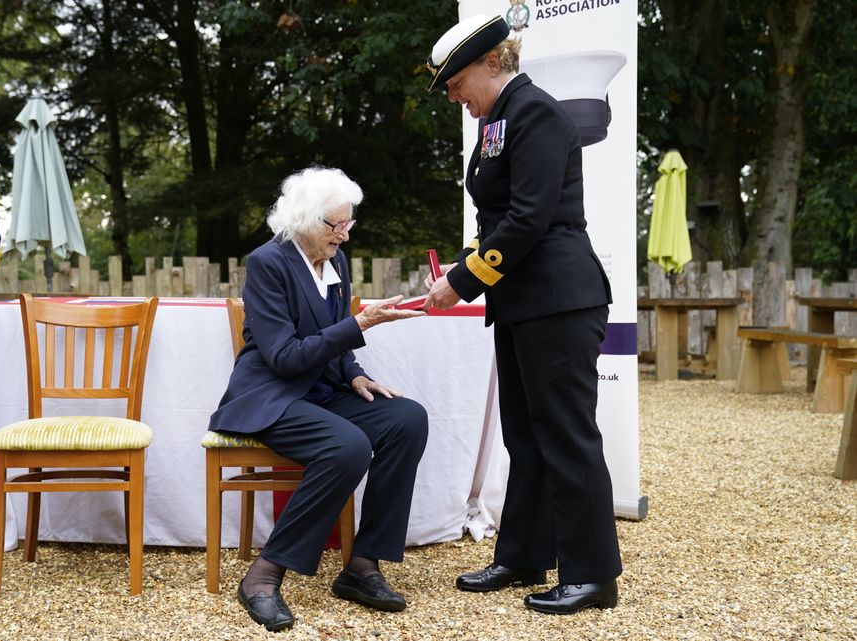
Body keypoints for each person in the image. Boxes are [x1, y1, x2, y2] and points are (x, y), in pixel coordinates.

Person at [423, 15, 622, 615]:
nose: (454, 97)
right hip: (525, 301)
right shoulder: (500, 121)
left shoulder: (532, 112)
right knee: (526, 438)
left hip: (559, 297)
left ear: (491, 62)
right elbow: (497, 221)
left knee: (567, 434)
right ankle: (524, 555)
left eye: (456, 83)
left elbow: (532, 218)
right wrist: (462, 266)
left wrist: (462, 282)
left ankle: (592, 574)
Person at [208, 166, 429, 631]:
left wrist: (355, 375)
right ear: (306, 220)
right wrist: (362, 323)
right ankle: (263, 576)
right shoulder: (269, 263)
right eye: (336, 225)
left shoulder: (335, 263)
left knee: (407, 419)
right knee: (347, 446)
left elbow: (335, 343)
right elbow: (285, 357)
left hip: (323, 391)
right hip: (271, 396)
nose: (344, 235)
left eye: (349, 223)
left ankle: (362, 566)